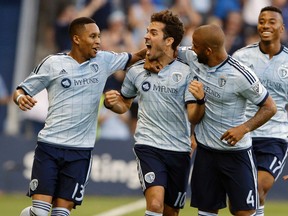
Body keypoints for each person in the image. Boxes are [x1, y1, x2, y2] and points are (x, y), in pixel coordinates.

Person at [13, 17, 147, 216]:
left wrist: (163, 47)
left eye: (99, 36)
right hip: (50, 146)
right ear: (77, 38)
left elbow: (136, 57)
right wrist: (20, 99)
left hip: (80, 151)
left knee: (61, 213)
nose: (98, 41)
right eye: (92, 36)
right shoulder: (53, 63)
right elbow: (21, 89)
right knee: (40, 213)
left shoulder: (104, 60)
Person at [104, 10, 205, 216]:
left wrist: (194, 135)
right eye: (147, 31)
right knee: (155, 205)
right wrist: (111, 103)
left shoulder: (188, 70)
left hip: (179, 149)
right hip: (149, 146)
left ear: (169, 41)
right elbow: (125, 103)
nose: (146, 36)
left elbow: (194, 111)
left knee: (171, 212)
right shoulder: (136, 71)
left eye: (153, 32)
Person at [176, 24, 277, 216]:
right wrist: (146, 60)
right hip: (206, 152)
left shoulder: (241, 76)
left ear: (208, 50)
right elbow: (168, 51)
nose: (191, 49)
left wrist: (244, 128)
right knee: (206, 211)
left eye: (195, 46)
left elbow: (270, 107)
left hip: (236, 154)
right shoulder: (193, 57)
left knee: (244, 212)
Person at [232, 6, 288, 216]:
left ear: (281, 28)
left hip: (274, 138)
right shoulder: (241, 57)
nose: (265, 25)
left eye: (271, 21)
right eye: (262, 21)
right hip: (243, 135)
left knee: (256, 189)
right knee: (242, 202)